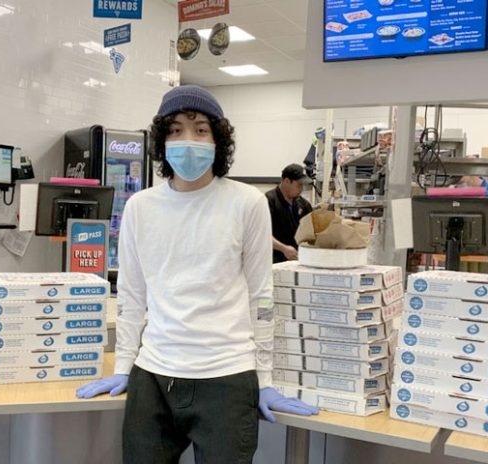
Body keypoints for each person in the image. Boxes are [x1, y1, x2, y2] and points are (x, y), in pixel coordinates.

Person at [76, 85, 317, 464]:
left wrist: (264, 379)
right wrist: (123, 365)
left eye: (200, 130)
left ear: (218, 140)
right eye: (175, 130)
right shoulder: (140, 208)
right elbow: (132, 295)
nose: (188, 140)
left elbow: (261, 295)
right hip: (154, 375)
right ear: (162, 141)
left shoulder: (247, 203)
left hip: (227, 375)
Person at [266, 164, 314, 263]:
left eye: (302, 186)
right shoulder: (269, 201)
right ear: (287, 181)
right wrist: (283, 248)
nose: (301, 189)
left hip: (298, 260)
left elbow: (312, 231)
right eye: (299, 185)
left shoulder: (304, 204)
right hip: (274, 261)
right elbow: (262, 234)